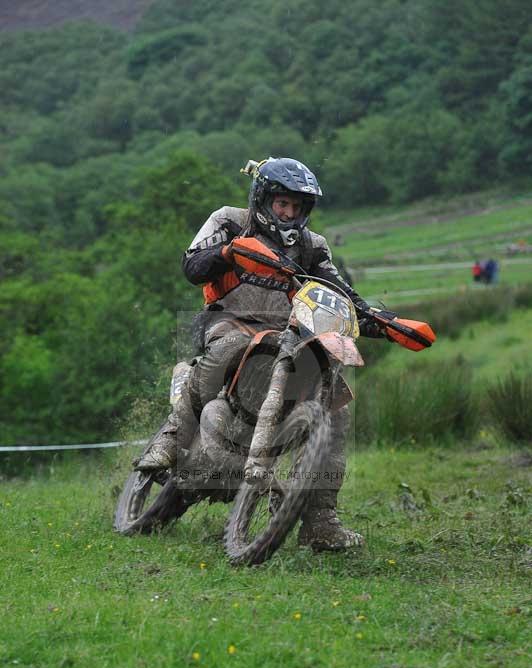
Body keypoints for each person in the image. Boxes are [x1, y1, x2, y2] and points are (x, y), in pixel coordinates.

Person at [136, 157, 388, 552]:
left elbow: (340, 291)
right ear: (263, 199)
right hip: (228, 321)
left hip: (288, 334)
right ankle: (169, 438)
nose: (289, 214)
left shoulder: (312, 246)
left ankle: (321, 521)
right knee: (230, 345)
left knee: (336, 403)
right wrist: (229, 254)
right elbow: (192, 266)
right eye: (282, 204)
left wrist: (375, 317)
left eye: (297, 207)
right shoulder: (228, 221)